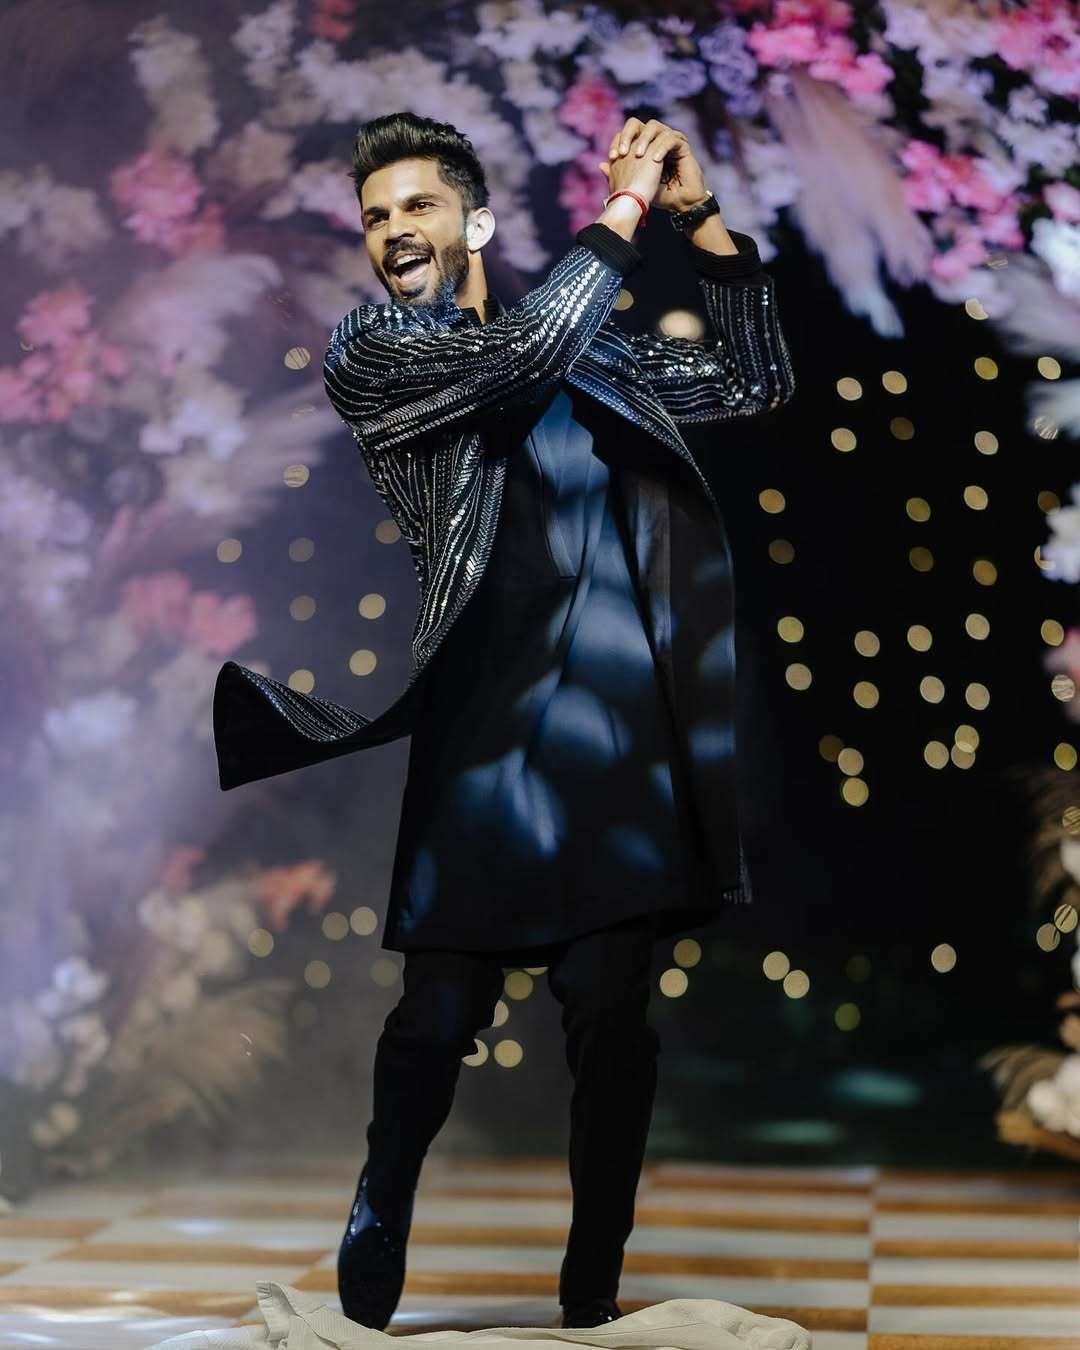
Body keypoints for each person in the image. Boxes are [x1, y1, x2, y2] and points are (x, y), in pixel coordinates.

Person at [212, 110, 795, 1332]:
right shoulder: (378, 352)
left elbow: (754, 379)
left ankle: (592, 1288)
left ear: (474, 222)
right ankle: (382, 1200)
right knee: (437, 1014)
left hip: (620, 734)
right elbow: (524, 351)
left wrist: (697, 220)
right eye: (376, 216)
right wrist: (624, 211)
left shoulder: (591, 348)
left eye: (418, 205)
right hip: (484, 726)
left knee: (612, 1019)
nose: (393, 231)